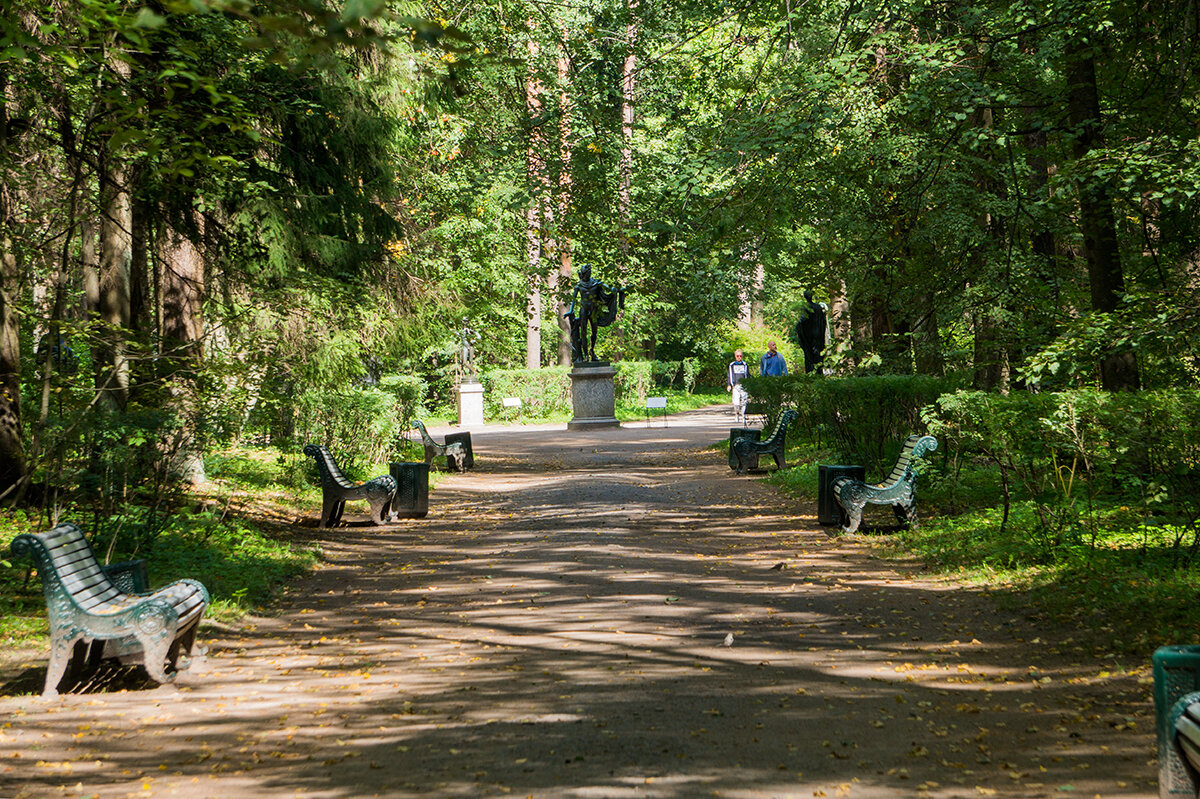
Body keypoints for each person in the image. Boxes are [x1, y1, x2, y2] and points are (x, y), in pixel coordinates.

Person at [794, 290, 827, 374]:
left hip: (809, 336)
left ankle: (811, 372)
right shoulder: (818, 307)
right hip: (818, 335)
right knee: (818, 354)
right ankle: (819, 372)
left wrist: (797, 328)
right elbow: (823, 320)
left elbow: (802, 321)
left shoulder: (806, 307)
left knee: (809, 355)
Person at [726, 349, 750, 424]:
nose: (739, 357)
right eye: (737, 356)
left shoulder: (745, 365)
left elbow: (748, 375)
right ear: (735, 356)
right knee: (736, 403)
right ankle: (736, 414)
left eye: (740, 356)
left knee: (744, 402)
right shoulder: (732, 365)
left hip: (744, 386)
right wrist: (729, 384)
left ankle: (743, 416)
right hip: (735, 385)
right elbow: (729, 375)